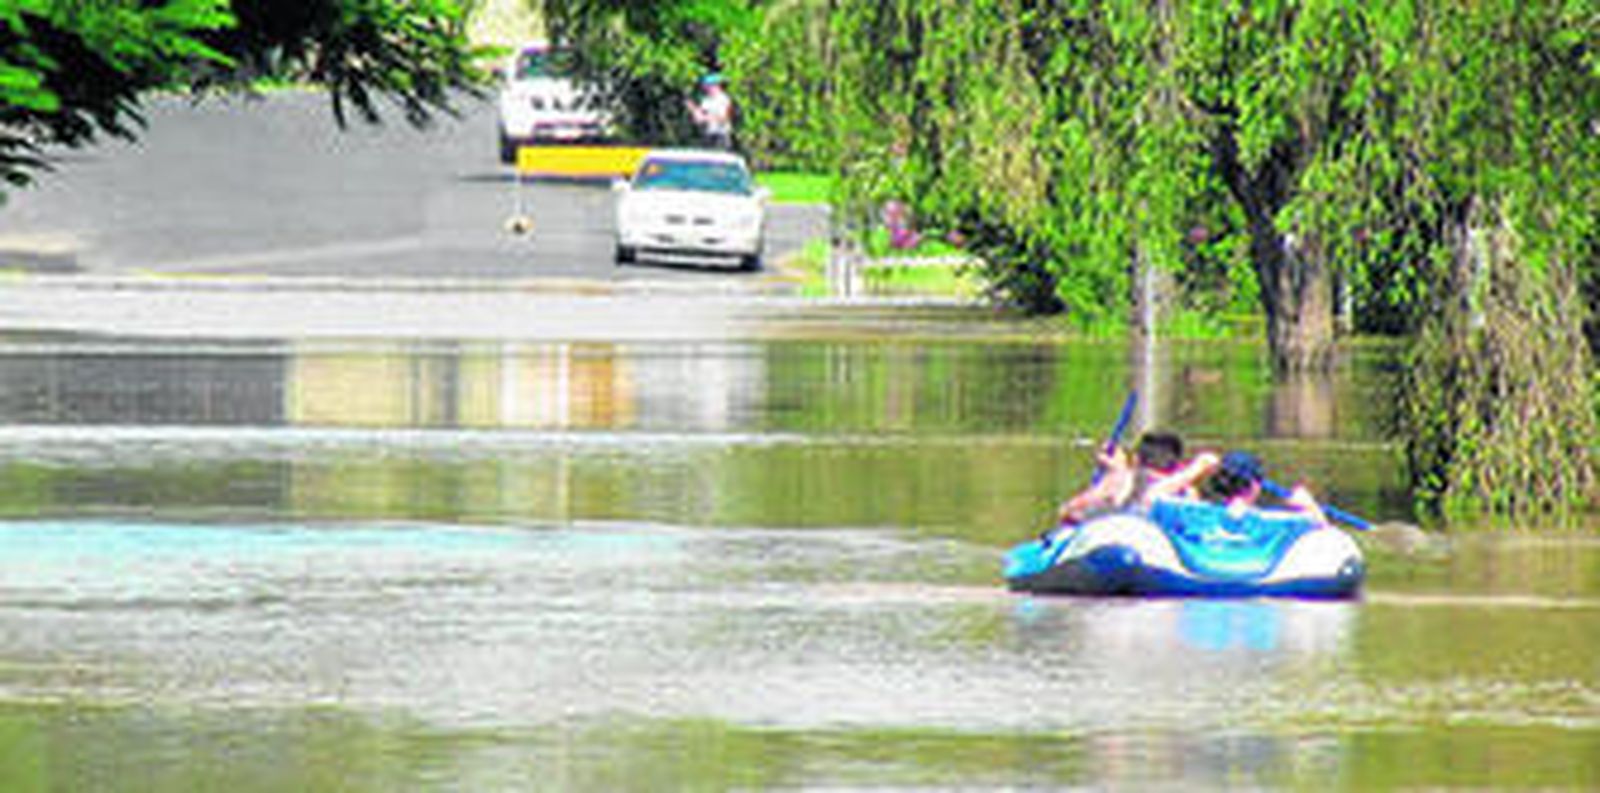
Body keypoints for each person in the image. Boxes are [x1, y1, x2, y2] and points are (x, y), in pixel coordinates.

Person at [1056, 430, 1216, 525]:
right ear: (1177, 465)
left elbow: (1067, 511)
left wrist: (1113, 474)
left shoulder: (1122, 479)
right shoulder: (1187, 491)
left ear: (1136, 459)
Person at [687, 73, 734, 150]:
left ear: (716, 86)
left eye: (708, 86)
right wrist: (693, 109)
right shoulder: (707, 100)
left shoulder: (724, 99)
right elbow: (700, 116)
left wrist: (705, 118)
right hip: (709, 135)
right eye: (705, 87)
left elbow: (724, 118)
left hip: (721, 136)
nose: (706, 89)